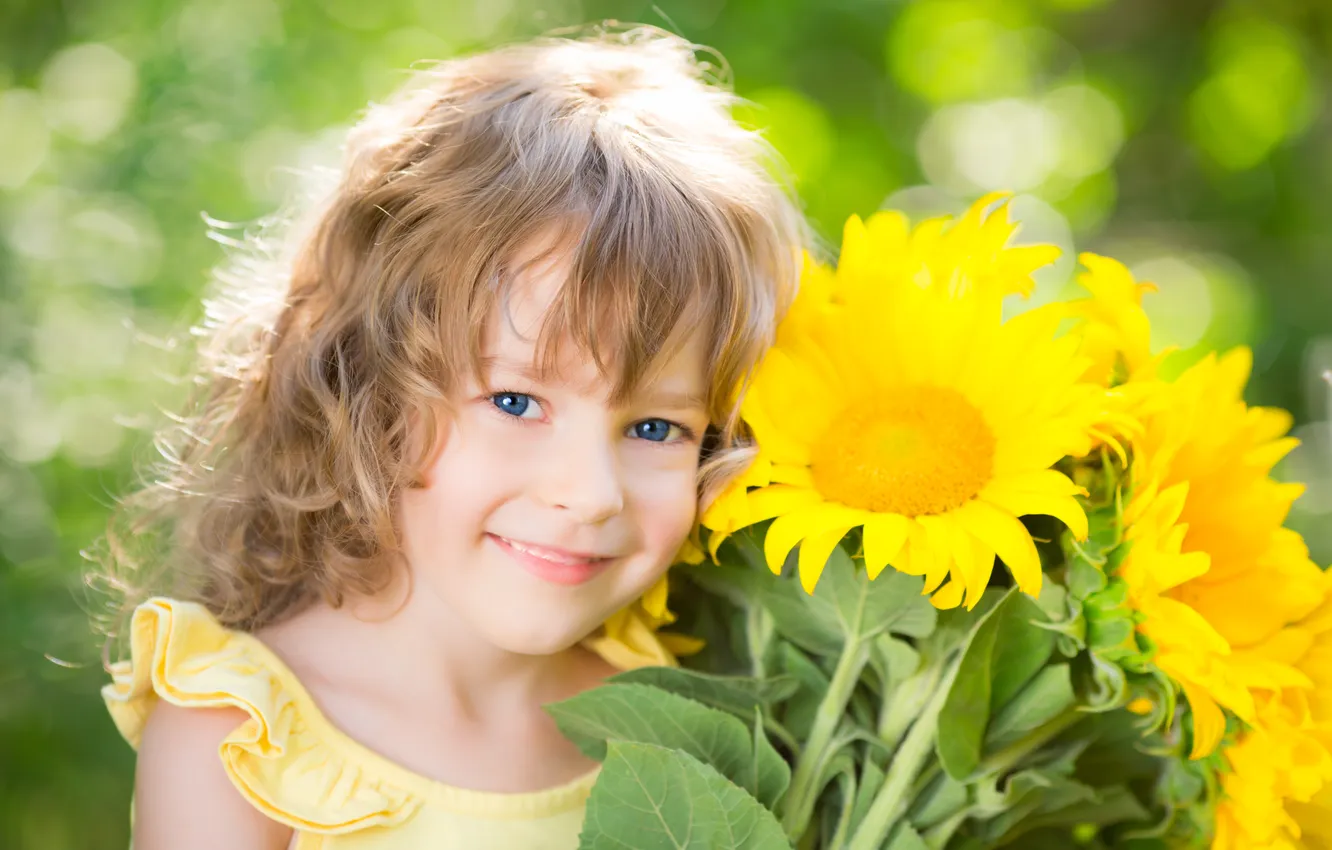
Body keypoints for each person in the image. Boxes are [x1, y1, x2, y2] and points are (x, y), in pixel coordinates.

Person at [93, 24, 808, 850]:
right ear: (368, 385)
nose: (590, 493)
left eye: (657, 427)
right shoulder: (243, 740)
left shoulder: (683, 720)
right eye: (516, 401)